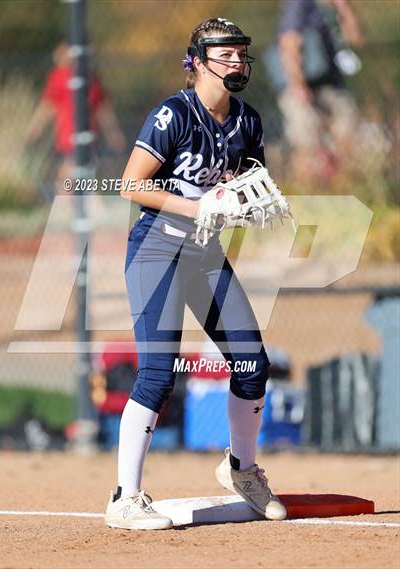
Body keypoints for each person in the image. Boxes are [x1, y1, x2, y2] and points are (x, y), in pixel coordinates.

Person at [105, 17, 287, 531]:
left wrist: (244, 204)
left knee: (253, 364)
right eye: (226, 54)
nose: (237, 62)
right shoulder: (172, 115)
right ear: (198, 62)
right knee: (160, 375)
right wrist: (200, 203)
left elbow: (248, 184)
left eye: (240, 54)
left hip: (205, 256)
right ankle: (125, 497)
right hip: (157, 250)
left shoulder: (248, 120)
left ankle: (242, 470)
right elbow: (130, 186)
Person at [275, 0, 365, 183]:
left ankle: (342, 188)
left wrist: (343, 7)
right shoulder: (300, 4)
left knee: (347, 134)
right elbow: (289, 41)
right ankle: (304, 192)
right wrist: (298, 84)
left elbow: (357, 39)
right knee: (305, 142)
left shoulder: (334, 7)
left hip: (332, 85)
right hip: (303, 84)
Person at [25, 39, 126, 199]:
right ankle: (85, 210)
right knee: (77, 177)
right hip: (68, 136)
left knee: (73, 177)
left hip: (86, 136)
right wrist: (35, 127)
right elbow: (48, 106)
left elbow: (101, 108)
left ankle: (75, 210)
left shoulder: (89, 77)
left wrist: (113, 133)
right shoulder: (60, 76)